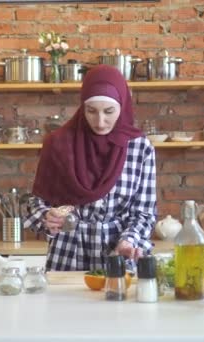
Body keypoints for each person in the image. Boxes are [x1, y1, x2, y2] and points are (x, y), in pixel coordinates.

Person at [24, 65, 157, 271]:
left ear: (123, 106)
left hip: (118, 255)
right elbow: (37, 201)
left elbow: (144, 213)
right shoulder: (58, 143)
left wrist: (128, 241)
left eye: (109, 111)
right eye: (91, 111)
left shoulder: (140, 148)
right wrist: (46, 216)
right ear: (81, 107)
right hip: (67, 255)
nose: (101, 122)